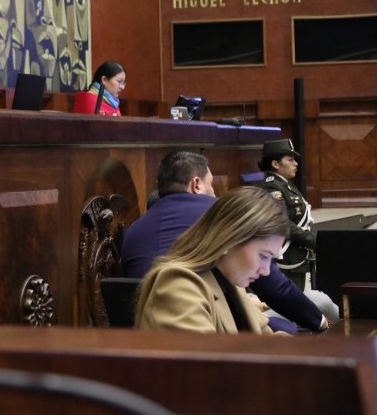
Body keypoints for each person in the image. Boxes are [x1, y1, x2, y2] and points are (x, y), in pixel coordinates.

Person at [122, 152, 333, 333]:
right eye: (263, 256)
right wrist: (320, 325)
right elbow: (276, 289)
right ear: (228, 237)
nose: (215, 192)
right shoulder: (220, 214)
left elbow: (261, 332)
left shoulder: (135, 227)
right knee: (321, 302)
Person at [135, 186, 290, 334]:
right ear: (230, 239)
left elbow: (265, 340)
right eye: (263, 256)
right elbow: (204, 359)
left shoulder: (229, 279)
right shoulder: (178, 285)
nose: (266, 270)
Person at [257, 139, 315, 289]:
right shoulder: (272, 188)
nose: (295, 163)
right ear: (275, 164)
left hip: (296, 255)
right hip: (286, 258)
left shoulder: (285, 185)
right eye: (290, 160)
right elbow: (283, 224)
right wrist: (315, 241)